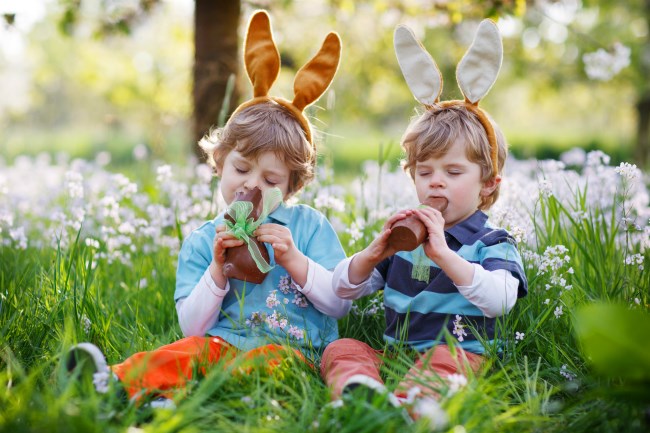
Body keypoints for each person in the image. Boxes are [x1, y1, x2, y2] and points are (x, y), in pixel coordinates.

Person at [66, 10, 349, 404]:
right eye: (241, 168)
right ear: (218, 163)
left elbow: (339, 305)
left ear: (291, 186)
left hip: (294, 354)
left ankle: (174, 399)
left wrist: (295, 260)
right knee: (188, 355)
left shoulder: (309, 227)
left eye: (270, 181)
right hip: (222, 344)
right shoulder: (205, 240)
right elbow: (192, 327)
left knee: (266, 363)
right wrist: (219, 268)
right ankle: (112, 384)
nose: (251, 184)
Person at [320, 20, 528, 423]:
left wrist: (444, 254)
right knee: (342, 347)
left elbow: (499, 300)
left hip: (461, 352)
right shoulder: (405, 238)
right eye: (424, 171)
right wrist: (373, 252)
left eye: (453, 172)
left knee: (445, 360)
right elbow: (343, 292)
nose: (435, 181)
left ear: (487, 185)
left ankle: (410, 406)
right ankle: (360, 392)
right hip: (397, 352)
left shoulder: (491, 241)